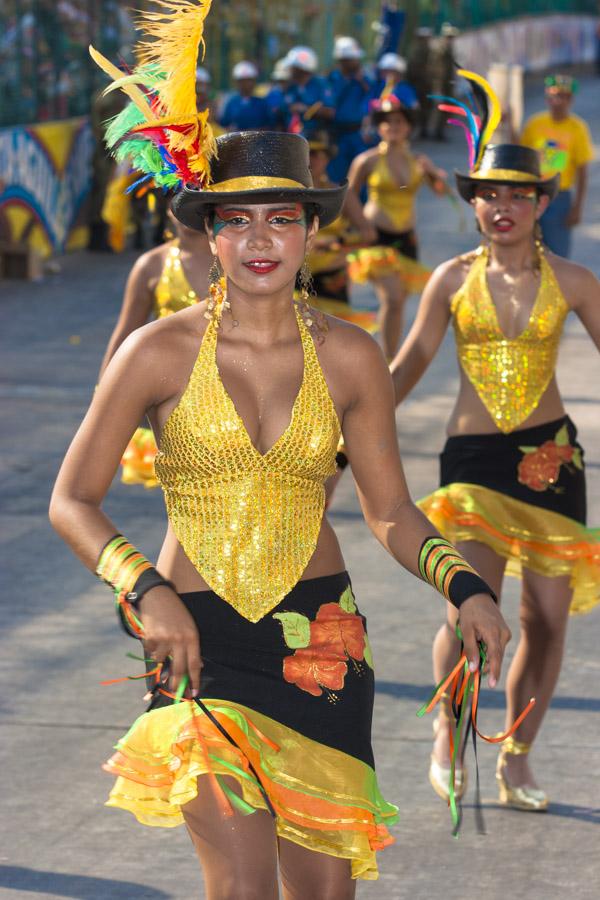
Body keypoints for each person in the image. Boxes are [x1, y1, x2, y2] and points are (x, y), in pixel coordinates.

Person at [50, 8, 509, 891]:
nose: (260, 240)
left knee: (322, 892)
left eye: (281, 219)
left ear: (310, 232)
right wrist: (147, 593)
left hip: (321, 634)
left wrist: (469, 586)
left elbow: (389, 512)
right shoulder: (158, 351)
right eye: (238, 221)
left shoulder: (351, 354)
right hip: (196, 636)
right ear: (210, 234)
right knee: (242, 888)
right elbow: (72, 497)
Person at [389, 131, 600, 809]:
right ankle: (449, 735)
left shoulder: (574, 281)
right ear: (473, 204)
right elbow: (408, 365)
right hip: (473, 462)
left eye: (519, 195)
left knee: (547, 621)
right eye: (490, 195)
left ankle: (516, 756)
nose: (503, 207)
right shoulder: (450, 281)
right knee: (469, 613)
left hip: (551, 461)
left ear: (541, 204)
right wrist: (339, 432)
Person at [99, 208, 212, 487]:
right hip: (172, 393)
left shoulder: (235, 259)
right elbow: (126, 334)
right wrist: (104, 397)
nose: (187, 210)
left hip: (234, 384)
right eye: (177, 198)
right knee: (185, 489)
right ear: (167, 207)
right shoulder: (151, 265)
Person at [344, 95, 447, 359]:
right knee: (391, 297)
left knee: (399, 302)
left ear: (408, 127)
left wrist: (433, 172)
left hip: (407, 237)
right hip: (378, 236)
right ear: (379, 127)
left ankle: (389, 359)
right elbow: (348, 195)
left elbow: (441, 191)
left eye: (399, 122)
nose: (393, 127)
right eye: (387, 123)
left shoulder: (418, 160)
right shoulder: (366, 160)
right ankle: (383, 358)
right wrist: (361, 225)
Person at [304, 131, 377, 332]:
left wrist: (339, 240)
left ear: (327, 158)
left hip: (331, 278)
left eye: (317, 154)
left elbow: (368, 233)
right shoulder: (286, 196)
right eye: (307, 154)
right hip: (295, 278)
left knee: (332, 340)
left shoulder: (340, 195)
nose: (311, 160)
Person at [520, 74, 594, 258]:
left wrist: (577, 207)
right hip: (533, 194)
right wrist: (509, 124)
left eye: (563, 96)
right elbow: (520, 154)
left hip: (559, 197)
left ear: (570, 99)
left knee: (557, 255)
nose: (557, 101)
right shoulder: (535, 123)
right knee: (528, 252)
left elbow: (582, 172)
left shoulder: (577, 128)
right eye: (553, 96)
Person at [326, 36, 373, 183]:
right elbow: (330, 101)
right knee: (336, 177)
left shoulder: (364, 78)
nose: (356, 62)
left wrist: (362, 81)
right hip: (337, 134)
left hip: (357, 134)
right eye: (352, 59)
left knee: (361, 177)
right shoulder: (332, 78)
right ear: (343, 60)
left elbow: (373, 98)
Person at [283, 46, 334, 138]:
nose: (290, 70)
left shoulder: (320, 84)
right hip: (292, 137)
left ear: (301, 68)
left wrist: (306, 109)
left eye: (293, 67)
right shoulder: (290, 87)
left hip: (316, 136)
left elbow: (330, 112)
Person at [219, 61, 271, 131]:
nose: (245, 84)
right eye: (242, 81)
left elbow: (269, 126)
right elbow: (224, 125)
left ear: (254, 81)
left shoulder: (262, 103)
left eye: (249, 80)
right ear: (236, 82)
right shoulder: (231, 103)